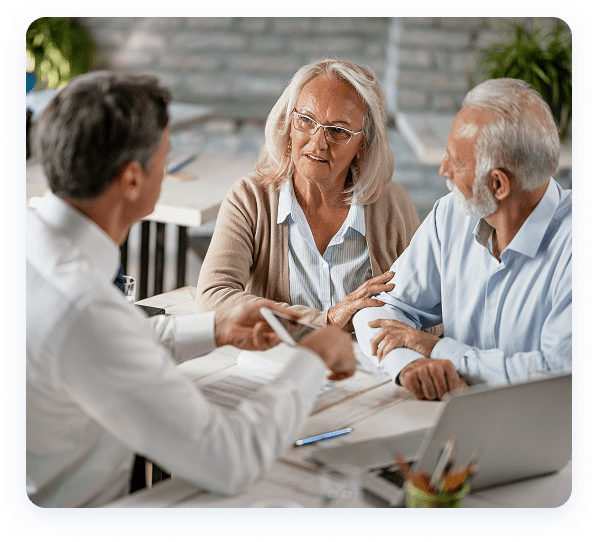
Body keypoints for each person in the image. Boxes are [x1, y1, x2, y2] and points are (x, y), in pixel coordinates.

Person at [26, 71, 357, 508]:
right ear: (131, 180)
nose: (169, 166)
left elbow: (109, 344)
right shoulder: (85, 306)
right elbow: (228, 460)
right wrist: (312, 359)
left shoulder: (29, 238)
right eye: (166, 156)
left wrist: (216, 328)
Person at [353, 78, 572, 400]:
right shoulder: (451, 214)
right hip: (453, 419)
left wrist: (441, 350)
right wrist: (408, 364)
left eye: (455, 161)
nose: (443, 170)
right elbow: (379, 305)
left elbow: (560, 376)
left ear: (498, 185)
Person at [196, 59, 420, 329]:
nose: (318, 142)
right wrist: (325, 320)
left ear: (363, 145)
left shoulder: (393, 205)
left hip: (366, 365)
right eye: (305, 120)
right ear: (288, 125)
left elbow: (426, 308)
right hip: (279, 361)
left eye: (338, 130)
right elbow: (213, 296)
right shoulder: (250, 199)